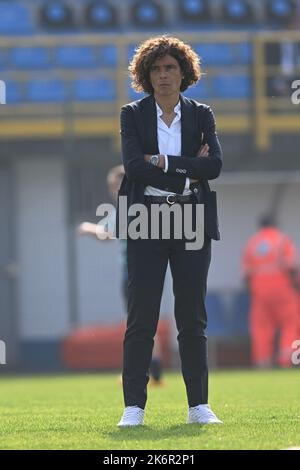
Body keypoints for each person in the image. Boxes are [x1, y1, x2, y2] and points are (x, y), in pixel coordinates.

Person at [117, 35, 223, 427]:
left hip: (191, 217)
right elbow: (133, 167)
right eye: (156, 69)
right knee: (141, 316)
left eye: (170, 68)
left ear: (184, 74)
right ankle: (134, 407)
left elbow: (214, 167)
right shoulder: (132, 113)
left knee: (192, 315)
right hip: (146, 218)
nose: (163, 75)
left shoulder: (201, 114)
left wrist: (161, 162)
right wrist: (184, 168)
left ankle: (199, 405)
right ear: (147, 75)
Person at [78, 164, 164, 384]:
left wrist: (88, 227)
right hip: (141, 271)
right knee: (144, 322)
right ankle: (153, 371)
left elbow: (105, 233)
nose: (114, 191)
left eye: (117, 186)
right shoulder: (137, 206)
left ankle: (139, 372)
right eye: (112, 187)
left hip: (135, 272)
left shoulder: (131, 207)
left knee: (136, 324)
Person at [241, 215, 300, 368]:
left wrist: (255, 291)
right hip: (283, 291)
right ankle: (287, 361)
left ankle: (263, 363)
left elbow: (245, 276)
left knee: (261, 328)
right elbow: (292, 268)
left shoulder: (252, 243)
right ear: (275, 224)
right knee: (290, 324)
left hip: (259, 294)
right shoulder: (282, 240)